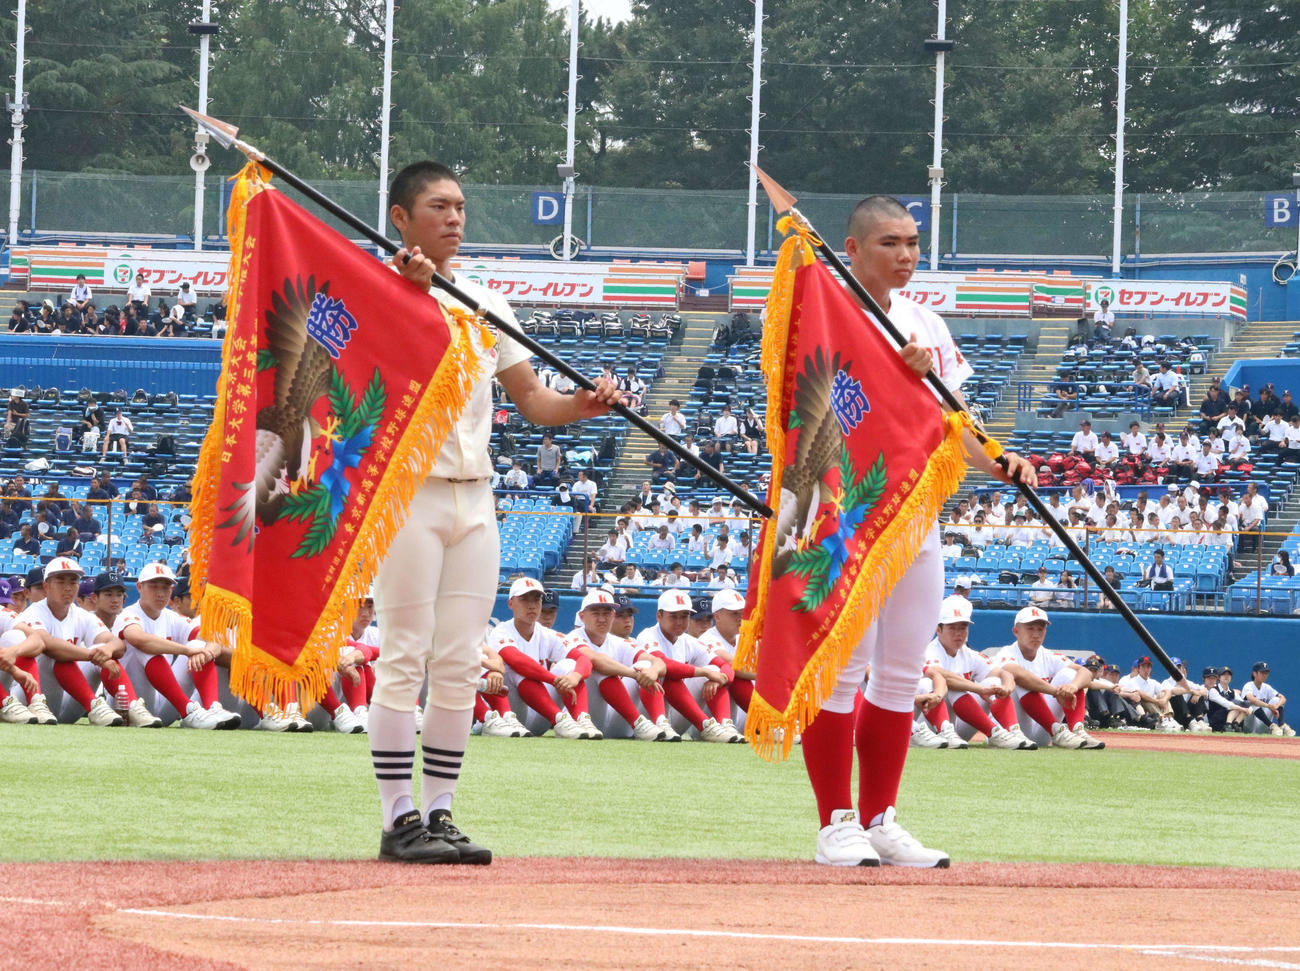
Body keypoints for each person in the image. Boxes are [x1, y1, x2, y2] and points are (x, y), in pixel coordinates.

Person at [367, 161, 621, 865]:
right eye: (437, 206)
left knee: (456, 664)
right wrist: (410, 299)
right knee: (403, 656)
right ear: (400, 217)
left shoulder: (483, 304)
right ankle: (398, 819)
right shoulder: (376, 295)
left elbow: (535, 402)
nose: (454, 218)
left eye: (460, 207)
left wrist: (583, 405)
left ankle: (441, 812)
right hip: (405, 492)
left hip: (476, 494)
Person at [799, 195, 1038, 870]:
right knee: (844, 669)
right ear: (852, 248)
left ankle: (880, 819)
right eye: (888, 243)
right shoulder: (824, 311)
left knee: (901, 672)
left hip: (915, 515)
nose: (905, 255)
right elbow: (813, 407)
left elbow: (952, 421)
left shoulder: (926, 323)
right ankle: (833, 823)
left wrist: (1000, 459)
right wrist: (890, 381)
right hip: (845, 513)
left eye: (911, 242)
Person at [487, 577, 601, 739]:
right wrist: (554, 680)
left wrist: (574, 677)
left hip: (538, 715)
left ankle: (581, 720)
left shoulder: (546, 634)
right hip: (509, 713)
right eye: (524, 599)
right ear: (510, 603)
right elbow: (517, 661)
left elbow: (583, 659)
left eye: (536, 599)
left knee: (569, 665)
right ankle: (559, 718)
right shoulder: (501, 630)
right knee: (516, 669)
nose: (532, 605)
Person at [919, 595, 1034, 750]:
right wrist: (979, 689)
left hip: (957, 731)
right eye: (952, 627)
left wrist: (1006, 686)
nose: (958, 633)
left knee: (993, 682)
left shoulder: (968, 654)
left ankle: (1011, 731)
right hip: (925, 726)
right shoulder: (929, 651)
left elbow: (1003, 673)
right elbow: (941, 676)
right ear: (938, 629)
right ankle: (993, 731)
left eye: (963, 627)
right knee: (943, 684)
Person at [632, 589, 740, 742]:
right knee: (650, 667)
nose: (679, 622)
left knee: (714, 670)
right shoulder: (647, 635)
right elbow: (664, 664)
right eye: (673, 616)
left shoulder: (689, 641)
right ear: (659, 616)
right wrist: (705, 672)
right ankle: (666, 722)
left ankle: (724, 725)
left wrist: (719, 678)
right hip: (643, 717)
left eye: (684, 616)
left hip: (675, 718)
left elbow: (726, 666)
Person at [566, 587, 671, 741]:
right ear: (582, 616)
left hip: (615, 718)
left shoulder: (620, 642)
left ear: (613, 615)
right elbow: (596, 660)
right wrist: (635, 674)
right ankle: (637, 720)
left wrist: (653, 671)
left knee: (646, 666)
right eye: (595, 613)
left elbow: (658, 662)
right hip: (582, 716)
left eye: (607, 613)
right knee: (591, 667)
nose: (602, 619)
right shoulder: (573, 637)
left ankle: (659, 723)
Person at [990, 606, 1102, 749]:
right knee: (1022, 681)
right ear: (1016, 631)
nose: (1036, 634)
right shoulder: (1005, 653)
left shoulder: (1047, 655)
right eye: (1030, 628)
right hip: (1009, 730)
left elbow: (1085, 673)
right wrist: (1056, 692)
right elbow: (1019, 675)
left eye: (1041, 629)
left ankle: (1077, 730)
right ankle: (1056, 729)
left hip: (1039, 728)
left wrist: (1072, 686)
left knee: (1070, 675)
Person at [1241, 661, 1294, 736]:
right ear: (1254, 674)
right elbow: (1252, 699)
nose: (1265, 675)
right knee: (1252, 704)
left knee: (1276, 700)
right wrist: (1269, 706)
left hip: (1262, 723)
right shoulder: (1248, 685)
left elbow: (1283, 698)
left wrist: (1276, 706)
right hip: (1249, 724)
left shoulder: (1266, 687)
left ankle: (1281, 726)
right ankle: (1272, 726)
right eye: (1262, 672)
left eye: (1266, 673)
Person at [1204, 666, 1252, 732]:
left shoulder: (1233, 692)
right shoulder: (1213, 690)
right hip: (1216, 721)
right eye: (1224, 674)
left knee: (1246, 704)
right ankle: (1228, 724)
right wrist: (1242, 709)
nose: (1226, 676)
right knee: (1236, 705)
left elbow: (1245, 704)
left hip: (1228, 719)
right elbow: (1226, 704)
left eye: (1229, 674)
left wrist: (1249, 709)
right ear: (1219, 677)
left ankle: (1235, 724)